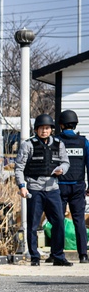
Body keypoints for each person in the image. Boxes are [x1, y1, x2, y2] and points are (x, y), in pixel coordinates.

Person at [15, 113, 70, 266]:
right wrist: (22, 186)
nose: (44, 131)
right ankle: (34, 256)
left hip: (53, 189)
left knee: (59, 221)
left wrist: (62, 169)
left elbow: (66, 162)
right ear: (36, 130)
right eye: (41, 128)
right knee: (33, 224)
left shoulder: (59, 144)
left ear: (51, 129)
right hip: (34, 189)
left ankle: (58, 256)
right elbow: (19, 168)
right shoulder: (28, 145)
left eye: (47, 128)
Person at [56, 109, 89, 263]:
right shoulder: (83, 142)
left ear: (61, 124)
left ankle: (57, 254)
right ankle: (83, 255)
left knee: (58, 220)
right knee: (79, 220)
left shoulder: (55, 141)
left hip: (59, 186)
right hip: (78, 186)